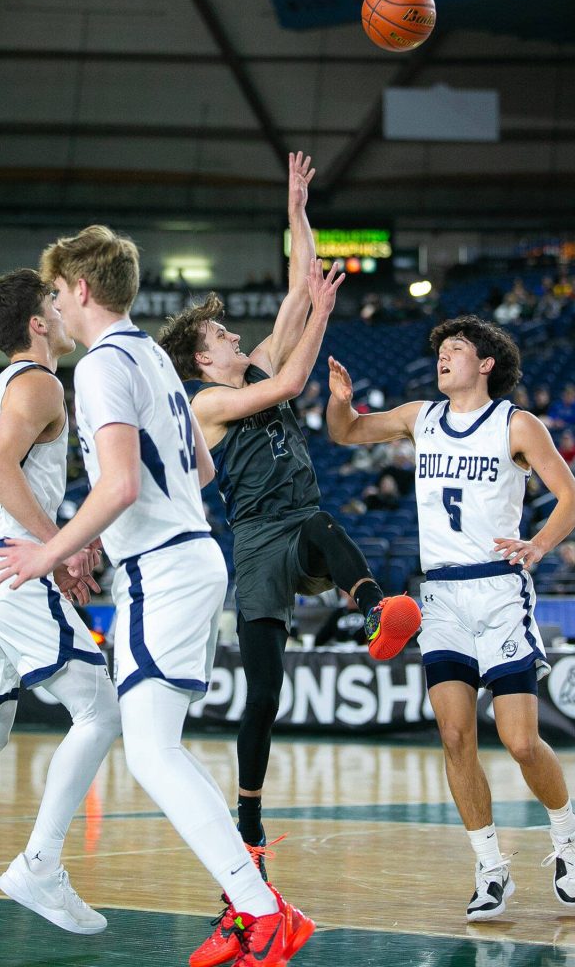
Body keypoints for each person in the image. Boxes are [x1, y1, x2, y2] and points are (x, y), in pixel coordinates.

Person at [0, 226, 315, 967]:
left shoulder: (101, 365)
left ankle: (263, 913)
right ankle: (248, 906)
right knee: (158, 748)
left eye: (57, 293)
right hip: (190, 555)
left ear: (80, 291)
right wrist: (112, 519)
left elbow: (125, 483)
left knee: (153, 753)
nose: (56, 307)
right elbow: (194, 469)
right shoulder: (152, 362)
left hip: (163, 569)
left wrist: (52, 548)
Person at [158, 152, 419, 870]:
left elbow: (297, 291)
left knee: (322, 519)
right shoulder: (206, 402)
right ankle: (247, 813)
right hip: (254, 542)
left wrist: (298, 210)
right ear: (202, 362)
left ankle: (374, 608)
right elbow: (293, 379)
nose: (235, 338)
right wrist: (324, 313)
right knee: (265, 692)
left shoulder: (256, 361)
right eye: (220, 339)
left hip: (299, 522)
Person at [326, 314, 575, 922]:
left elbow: (572, 497)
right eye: (440, 350)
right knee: (454, 736)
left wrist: (539, 545)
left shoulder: (515, 424)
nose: (443, 357)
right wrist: (341, 403)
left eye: (456, 349)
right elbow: (345, 434)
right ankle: (490, 866)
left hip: (498, 591)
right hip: (441, 596)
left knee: (521, 741)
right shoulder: (421, 416)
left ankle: (566, 832)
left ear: (486, 363)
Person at [0, 268, 122, 937]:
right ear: (37, 323)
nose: (65, 311)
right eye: (53, 305)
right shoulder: (38, 382)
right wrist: (59, 545)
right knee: (99, 709)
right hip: (10, 569)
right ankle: (40, 863)